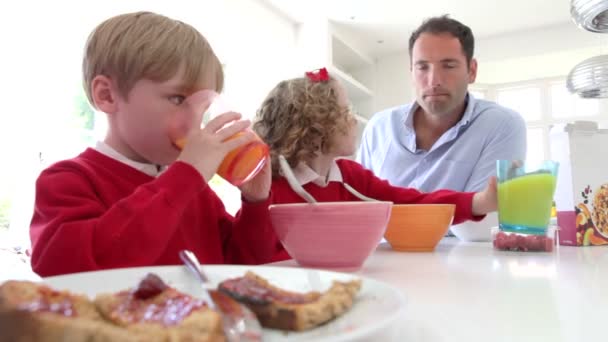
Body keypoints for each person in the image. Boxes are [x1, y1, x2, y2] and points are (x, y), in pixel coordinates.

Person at [29, 11, 276, 277]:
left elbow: (241, 267)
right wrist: (184, 179)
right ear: (107, 95)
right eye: (178, 99)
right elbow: (67, 270)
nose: (194, 122)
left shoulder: (193, 190)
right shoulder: (67, 181)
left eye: (202, 107)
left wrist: (255, 204)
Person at [253, 68, 498, 261]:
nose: (354, 121)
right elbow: (253, 258)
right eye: (346, 111)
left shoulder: (351, 178)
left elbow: (412, 203)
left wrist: (478, 202)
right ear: (315, 126)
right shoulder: (269, 188)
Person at [357, 15, 526, 193]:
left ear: (472, 71)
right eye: (422, 67)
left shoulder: (502, 125)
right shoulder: (379, 127)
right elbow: (359, 205)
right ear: (411, 72)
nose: (434, 80)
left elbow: (482, 216)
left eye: (448, 66)